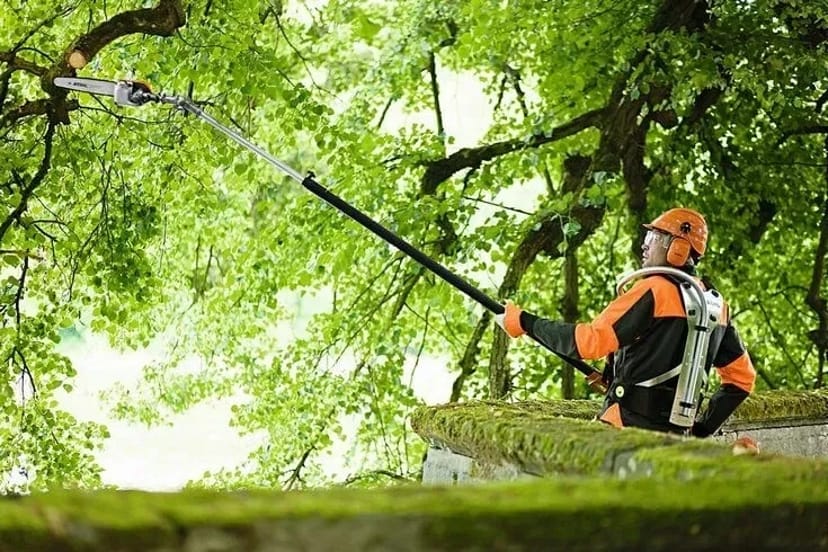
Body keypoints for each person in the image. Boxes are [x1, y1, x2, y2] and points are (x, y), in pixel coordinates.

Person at [495, 208, 756, 437]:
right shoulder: (717, 307)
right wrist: (702, 429)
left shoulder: (654, 289)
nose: (645, 245)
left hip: (624, 431)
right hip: (677, 440)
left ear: (678, 248)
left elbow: (589, 342)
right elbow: (742, 380)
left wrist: (523, 322)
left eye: (653, 238)